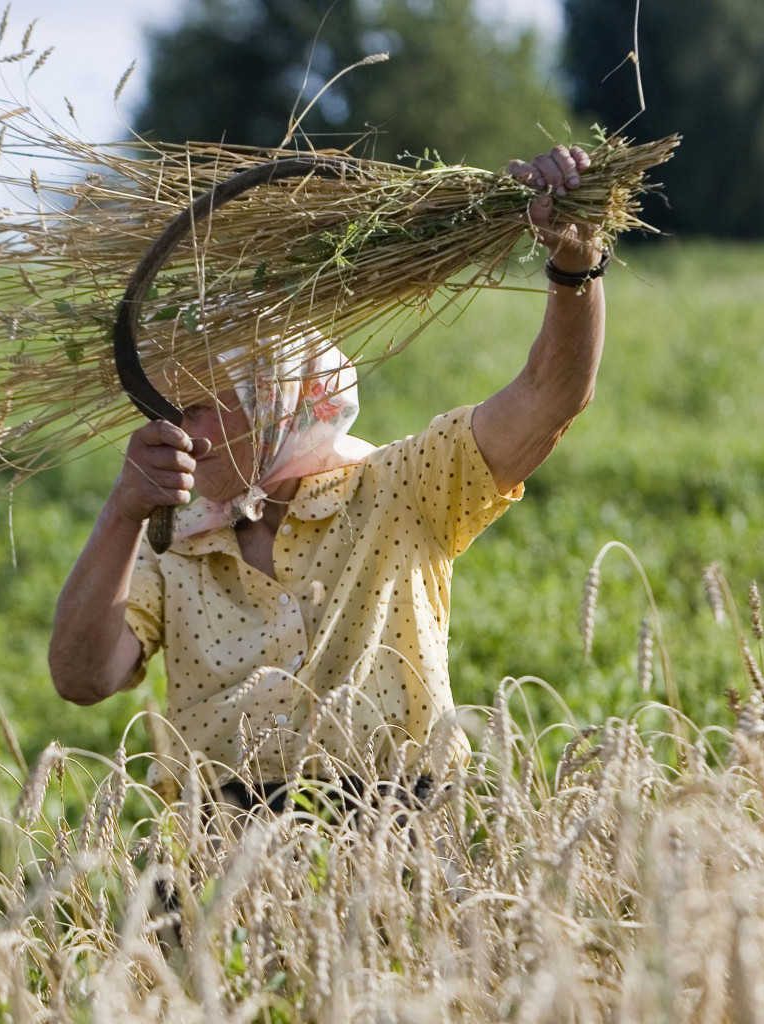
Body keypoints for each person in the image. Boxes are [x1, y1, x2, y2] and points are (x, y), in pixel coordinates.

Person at [49, 145, 604, 795]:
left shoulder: (401, 489)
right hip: (221, 870)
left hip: (391, 850)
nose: (180, 432)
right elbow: (83, 679)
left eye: (201, 407)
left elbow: (551, 396)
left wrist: (575, 263)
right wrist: (122, 511)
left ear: (275, 401)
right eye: (171, 409)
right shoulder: (170, 541)